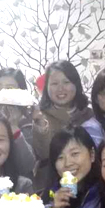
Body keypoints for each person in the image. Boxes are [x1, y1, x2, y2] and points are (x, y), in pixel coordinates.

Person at [33, 60, 92, 190]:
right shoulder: (39, 116)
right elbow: (44, 154)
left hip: (87, 184)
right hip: (48, 185)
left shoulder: (89, 115)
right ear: (46, 88)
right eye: (54, 83)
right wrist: (41, 125)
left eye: (66, 82)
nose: (60, 88)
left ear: (76, 84)